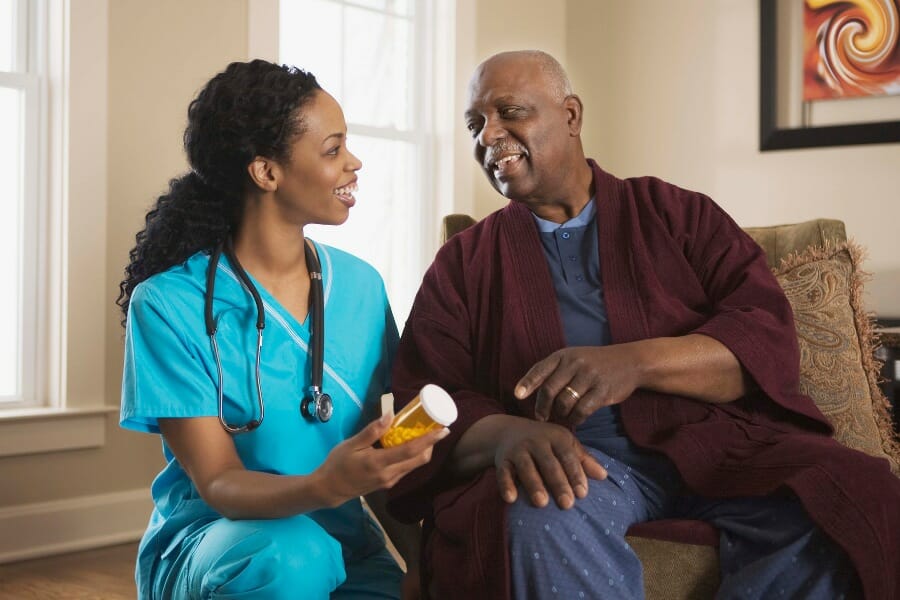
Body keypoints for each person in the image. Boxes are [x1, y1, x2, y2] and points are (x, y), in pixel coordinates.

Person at [387, 50, 900, 599]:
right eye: (475, 124)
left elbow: (765, 337)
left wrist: (632, 362)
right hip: (576, 463)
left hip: (721, 447)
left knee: (850, 499)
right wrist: (502, 434)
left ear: (572, 116)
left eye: (510, 111)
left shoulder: (680, 215)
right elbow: (413, 416)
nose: (489, 135)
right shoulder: (463, 263)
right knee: (537, 514)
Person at [117, 59, 447, 600]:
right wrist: (325, 485)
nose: (353, 163)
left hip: (344, 546)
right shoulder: (167, 305)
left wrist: (419, 563)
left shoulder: (360, 287)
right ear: (266, 172)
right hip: (224, 548)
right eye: (333, 149)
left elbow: (378, 447)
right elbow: (220, 482)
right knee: (294, 558)